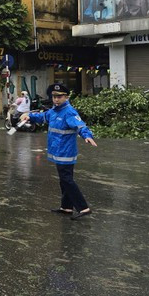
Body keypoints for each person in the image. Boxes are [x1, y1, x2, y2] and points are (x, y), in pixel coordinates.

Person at [21, 83, 97, 220]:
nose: (56, 99)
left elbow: (80, 125)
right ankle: (66, 208)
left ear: (66, 97)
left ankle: (83, 208)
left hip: (66, 152)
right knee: (64, 181)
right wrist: (30, 116)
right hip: (58, 151)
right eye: (54, 96)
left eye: (59, 96)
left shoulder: (69, 112)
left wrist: (87, 136)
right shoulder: (54, 111)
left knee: (67, 180)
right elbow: (42, 116)